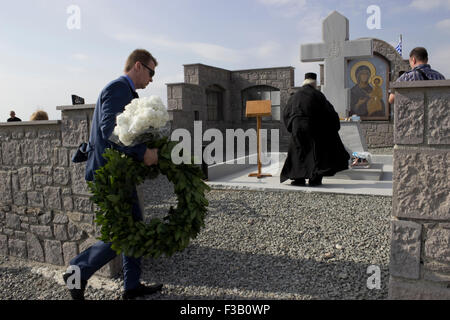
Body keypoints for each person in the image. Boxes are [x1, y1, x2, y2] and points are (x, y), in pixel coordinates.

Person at [64, 49, 163, 300]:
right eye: (151, 72)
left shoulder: (127, 92)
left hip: (119, 172)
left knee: (132, 228)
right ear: (138, 66)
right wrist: (142, 152)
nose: (152, 79)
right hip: (110, 174)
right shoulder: (118, 88)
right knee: (121, 233)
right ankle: (77, 269)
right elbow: (110, 130)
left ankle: (131, 287)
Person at [280, 73, 350, 187]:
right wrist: (333, 126)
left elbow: (286, 113)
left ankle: (299, 179)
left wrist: (291, 127)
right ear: (314, 84)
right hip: (313, 129)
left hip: (297, 128)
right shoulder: (317, 95)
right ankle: (314, 179)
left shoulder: (294, 96)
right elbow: (329, 113)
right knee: (315, 153)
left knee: (298, 153)